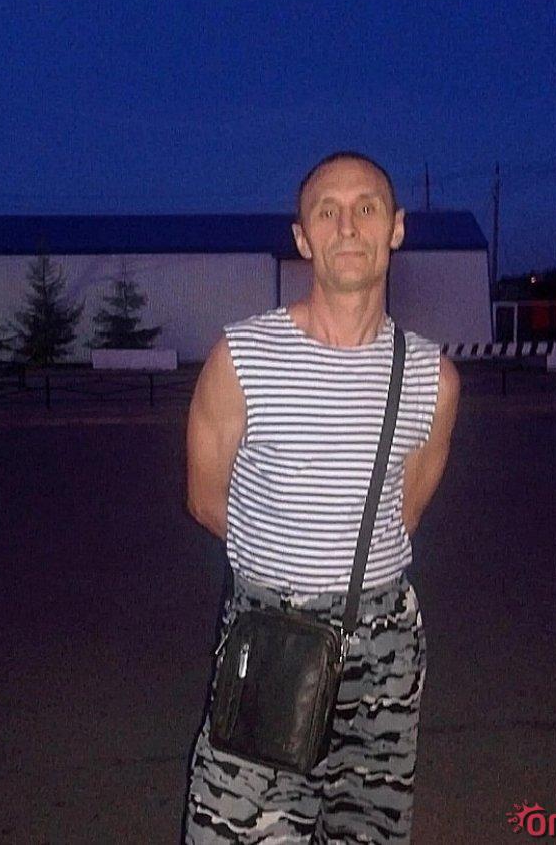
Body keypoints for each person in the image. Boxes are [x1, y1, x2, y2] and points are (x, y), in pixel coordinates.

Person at [182, 151, 460, 844]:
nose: (348, 225)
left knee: (367, 831)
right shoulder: (241, 357)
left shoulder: (432, 376)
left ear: (395, 227)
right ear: (302, 238)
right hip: (270, 640)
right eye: (326, 211)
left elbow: (406, 509)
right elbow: (205, 498)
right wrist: (292, 567)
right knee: (234, 829)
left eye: (366, 207)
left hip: (384, 651)